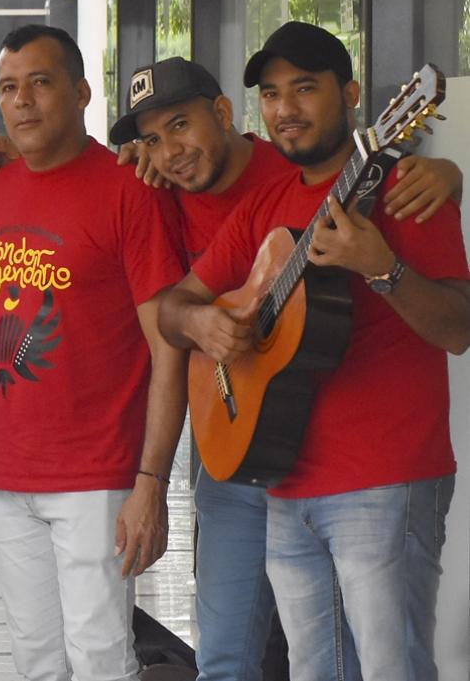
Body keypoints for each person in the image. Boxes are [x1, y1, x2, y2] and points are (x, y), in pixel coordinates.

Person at [107, 55, 463, 681]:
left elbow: (457, 326)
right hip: (259, 456)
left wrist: (430, 197)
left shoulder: (364, 181)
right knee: (261, 660)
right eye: (272, 94)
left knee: (386, 666)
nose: (170, 152)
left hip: (372, 471)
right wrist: (199, 324)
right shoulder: (197, 192)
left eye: (304, 88)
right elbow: (172, 316)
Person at [0, 24, 187, 681]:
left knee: (100, 655)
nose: (24, 101)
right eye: (10, 87)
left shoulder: (129, 189)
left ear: (81, 91)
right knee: (36, 659)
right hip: (10, 470)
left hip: (98, 472)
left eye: (41, 82)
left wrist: (150, 481)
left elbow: (169, 348)